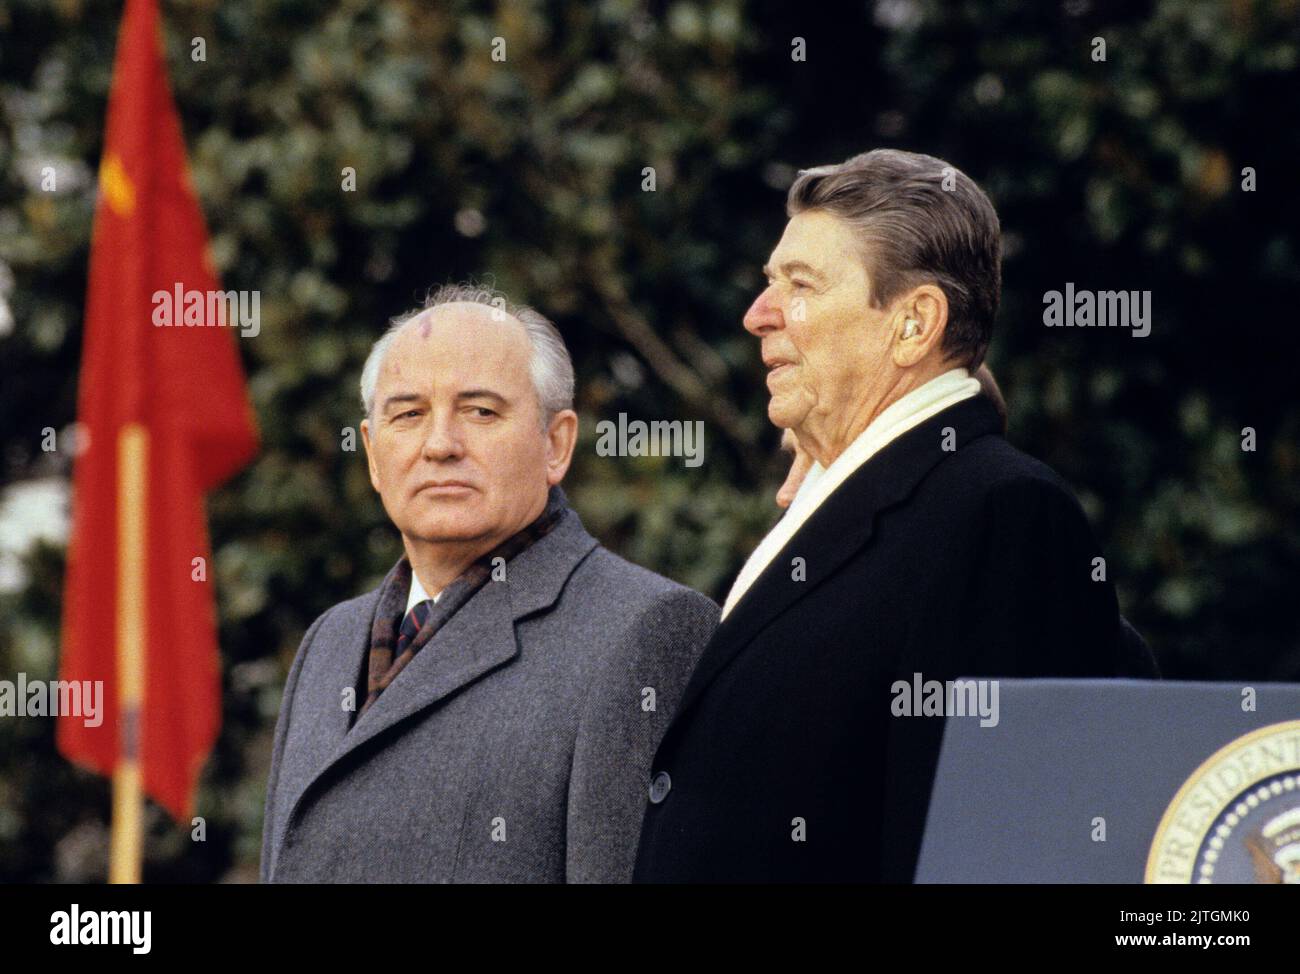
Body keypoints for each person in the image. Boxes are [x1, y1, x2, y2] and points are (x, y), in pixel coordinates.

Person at [633, 148, 1160, 883]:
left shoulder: (1002, 514)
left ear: (914, 325)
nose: (758, 315)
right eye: (768, 284)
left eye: (801, 286)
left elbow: (1009, 855)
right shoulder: (852, 498)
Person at [261, 283, 717, 883]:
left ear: (556, 444)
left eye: (481, 411)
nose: (441, 445)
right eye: (408, 414)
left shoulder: (645, 633)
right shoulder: (329, 642)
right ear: (373, 456)